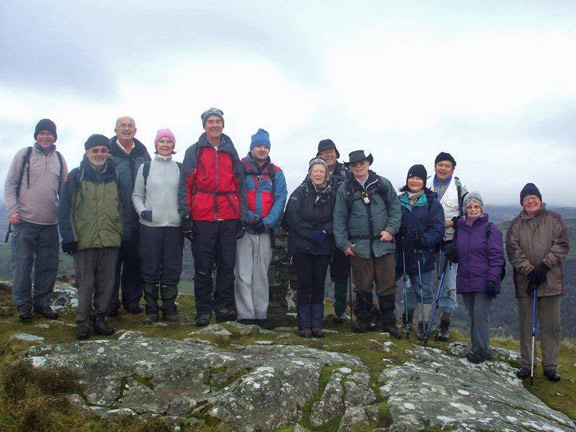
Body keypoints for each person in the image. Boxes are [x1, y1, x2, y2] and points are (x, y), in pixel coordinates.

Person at [178, 108, 247, 327]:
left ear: (223, 125)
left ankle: (225, 307)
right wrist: (186, 215)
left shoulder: (231, 151)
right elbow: (185, 185)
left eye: (218, 121)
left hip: (228, 215)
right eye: (210, 121)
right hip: (203, 216)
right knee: (203, 266)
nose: (215, 125)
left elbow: (240, 185)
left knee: (227, 265)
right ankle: (204, 310)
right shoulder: (194, 151)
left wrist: (242, 217)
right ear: (204, 125)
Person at [59, 134, 130, 339]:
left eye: (103, 150)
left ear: (108, 153)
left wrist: (123, 233)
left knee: (107, 282)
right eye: (95, 150)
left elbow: (124, 207)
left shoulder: (115, 176)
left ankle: (100, 317)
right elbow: (65, 208)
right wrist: (69, 236)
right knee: (85, 282)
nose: (99, 154)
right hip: (84, 239)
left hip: (110, 238)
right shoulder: (76, 175)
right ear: (87, 152)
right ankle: (82, 320)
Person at [4, 119, 68, 322]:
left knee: (48, 266)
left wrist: (65, 216)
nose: (46, 136)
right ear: (36, 136)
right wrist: (13, 211)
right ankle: (23, 306)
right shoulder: (24, 155)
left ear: (55, 136)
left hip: (50, 223)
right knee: (22, 265)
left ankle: (42, 303)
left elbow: (64, 192)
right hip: (24, 221)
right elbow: (10, 184)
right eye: (42, 133)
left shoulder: (59, 158)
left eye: (49, 133)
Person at [333, 150, 402, 337]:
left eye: (361, 163)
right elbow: (339, 219)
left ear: (368, 163)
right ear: (350, 167)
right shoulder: (345, 189)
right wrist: (344, 245)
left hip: (383, 244)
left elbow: (395, 209)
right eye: (354, 164)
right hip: (359, 247)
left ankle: (388, 322)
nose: (358, 167)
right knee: (362, 285)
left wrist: (390, 230)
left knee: (387, 284)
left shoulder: (383, 184)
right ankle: (364, 320)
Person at [506, 183, 569, 382]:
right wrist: (530, 271)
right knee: (526, 325)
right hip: (526, 283)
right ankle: (527, 364)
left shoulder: (554, 219)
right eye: (526, 199)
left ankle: (550, 366)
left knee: (551, 326)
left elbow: (562, 244)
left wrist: (544, 267)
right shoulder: (516, 224)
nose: (530, 201)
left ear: (540, 200)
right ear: (522, 203)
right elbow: (513, 251)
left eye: (534, 197)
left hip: (550, 281)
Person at [132, 129, 187, 325]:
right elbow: (137, 195)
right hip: (150, 225)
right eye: (161, 141)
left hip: (174, 226)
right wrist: (142, 212)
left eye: (169, 142)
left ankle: (170, 308)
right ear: (156, 145)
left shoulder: (180, 168)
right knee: (150, 267)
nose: (165, 145)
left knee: (172, 268)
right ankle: (152, 308)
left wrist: (183, 216)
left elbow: (185, 195)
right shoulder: (145, 168)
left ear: (173, 146)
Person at [235, 129, 287, 329]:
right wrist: (248, 218)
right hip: (244, 228)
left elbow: (281, 197)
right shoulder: (239, 167)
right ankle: (245, 315)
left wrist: (267, 221)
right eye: (259, 145)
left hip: (265, 229)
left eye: (266, 146)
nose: (262, 149)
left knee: (262, 273)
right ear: (251, 147)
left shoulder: (276, 172)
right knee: (242, 272)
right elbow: (236, 193)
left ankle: (261, 313)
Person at [450, 192, 504, 363]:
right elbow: (460, 253)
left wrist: (492, 279)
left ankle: (481, 351)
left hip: (485, 281)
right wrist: (452, 252)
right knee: (473, 316)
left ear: (481, 208)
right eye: (469, 206)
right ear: (465, 209)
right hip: (466, 280)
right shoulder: (461, 229)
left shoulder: (490, 229)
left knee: (481, 316)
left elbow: (497, 256)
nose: (473, 209)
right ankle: (476, 348)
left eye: (476, 206)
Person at [284, 157, 335, 337]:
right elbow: (292, 217)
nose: (319, 174)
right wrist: (310, 233)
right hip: (302, 247)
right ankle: (304, 325)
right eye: (316, 171)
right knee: (304, 284)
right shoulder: (299, 192)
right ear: (310, 173)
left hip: (323, 247)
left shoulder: (331, 195)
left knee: (318, 284)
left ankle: (317, 324)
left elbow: (336, 217)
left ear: (326, 174)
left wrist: (323, 232)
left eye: (322, 171)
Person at [108, 116, 151, 316]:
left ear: (136, 129)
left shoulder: (142, 154)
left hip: (138, 218)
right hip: (113, 218)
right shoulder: (106, 152)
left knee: (134, 262)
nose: (126, 129)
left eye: (130, 126)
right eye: (122, 126)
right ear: (115, 129)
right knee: (111, 264)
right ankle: (109, 303)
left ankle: (132, 301)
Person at [395, 165, 445, 341]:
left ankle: (423, 326)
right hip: (400, 254)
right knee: (406, 290)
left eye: (418, 178)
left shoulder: (432, 204)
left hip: (422, 256)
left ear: (424, 182)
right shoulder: (398, 201)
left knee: (423, 291)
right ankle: (406, 321)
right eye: (411, 177)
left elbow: (438, 229)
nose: (414, 181)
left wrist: (424, 240)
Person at [432, 152, 468, 341]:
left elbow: (469, 214)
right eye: (440, 164)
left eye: (447, 165)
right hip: (427, 240)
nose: (443, 168)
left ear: (453, 169)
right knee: (418, 280)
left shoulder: (460, 188)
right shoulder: (425, 184)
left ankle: (444, 325)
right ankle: (416, 321)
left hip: (450, 242)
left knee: (448, 284)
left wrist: (452, 222)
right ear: (435, 166)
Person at [316, 139, 351, 323]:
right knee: (318, 273)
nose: (328, 154)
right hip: (321, 231)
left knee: (341, 273)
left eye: (331, 151)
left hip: (342, 230)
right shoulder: (314, 173)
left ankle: (339, 311)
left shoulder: (347, 173)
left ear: (337, 153)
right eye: (324, 152)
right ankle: (317, 311)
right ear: (318, 156)